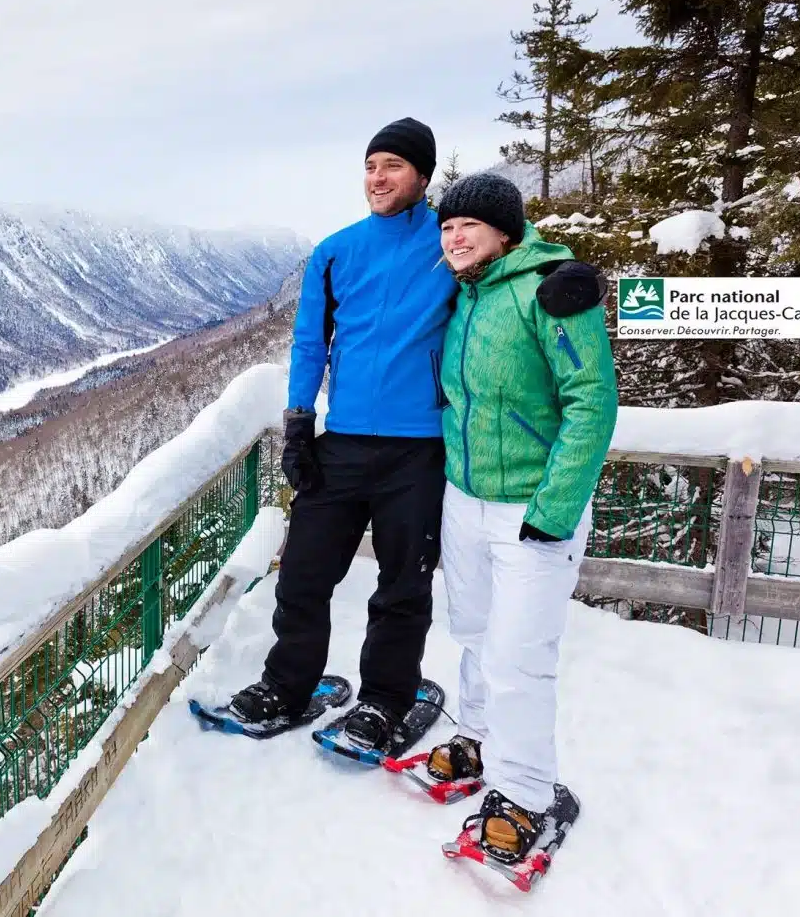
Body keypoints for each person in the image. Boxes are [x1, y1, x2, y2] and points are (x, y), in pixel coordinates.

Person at [224, 119, 604, 753]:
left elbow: (512, 256)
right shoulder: (335, 252)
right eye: (371, 165)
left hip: (422, 451)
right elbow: (310, 341)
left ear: (422, 177)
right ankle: (287, 683)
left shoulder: (449, 241)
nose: (378, 177)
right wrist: (297, 420)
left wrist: (573, 277)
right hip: (340, 442)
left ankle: (385, 700)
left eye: (394, 165)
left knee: (403, 587)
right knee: (303, 577)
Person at [420, 172, 618, 863]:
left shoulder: (549, 290)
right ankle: (475, 735)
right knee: (473, 629)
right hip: (464, 497)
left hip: (533, 508)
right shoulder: (466, 293)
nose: (453, 236)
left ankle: (525, 796)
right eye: (446, 227)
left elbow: (592, 401)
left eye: (467, 225)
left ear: (506, 230)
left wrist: (555, 508)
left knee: (519, 658)